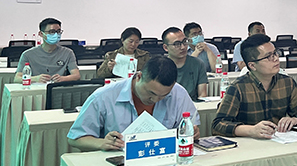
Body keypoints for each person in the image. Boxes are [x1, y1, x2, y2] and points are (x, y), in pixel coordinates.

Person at [66, 55, 198, 152]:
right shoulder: (104, 96)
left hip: (163, 158)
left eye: (163, 95)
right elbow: (75, 138)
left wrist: (193, 131)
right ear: (138, 76)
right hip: (118, 165)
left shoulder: (178, 93)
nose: (155, 99)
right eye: (151, 93)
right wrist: (101, 143)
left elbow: (192, 126)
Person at [213, 34, 297, 138]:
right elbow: (218, 126)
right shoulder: (237, 88)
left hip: (279, 140)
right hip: (249, 143)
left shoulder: (287, 83)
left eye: (275, 53)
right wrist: (251, 130)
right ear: (252, 65)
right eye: (268, 56)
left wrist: (295, 120)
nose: (276, 58)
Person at [14, 17, 80, 83]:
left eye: (58, 31)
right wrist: (35, 79)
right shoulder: (28, 54)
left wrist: (63, 78)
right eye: (52, 32)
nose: (56, 34)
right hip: (36, 88)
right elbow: (17, 79)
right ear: (41, 34)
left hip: (57, 87)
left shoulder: (67, 53)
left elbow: (76, 75)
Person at [162, 27, 208, 101]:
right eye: (177, 44)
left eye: (184, 42)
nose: (183, 47)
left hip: (192, 104)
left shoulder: (198, 64)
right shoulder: (160, 66)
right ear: (166, 47)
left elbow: (202, 95)